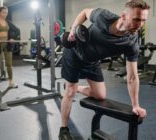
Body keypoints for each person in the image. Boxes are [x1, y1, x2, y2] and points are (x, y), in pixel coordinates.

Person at [59, 0, 150, 139]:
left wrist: (135, 105)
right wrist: (73, 29)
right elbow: (84, 12)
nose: (140, 24)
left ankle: (76, 88)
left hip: (92, 61)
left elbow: (132, 77)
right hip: (74, 55)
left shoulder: (131, 43)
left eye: (144, 20)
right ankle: (63, 129)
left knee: (100, 96)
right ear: (124, 16)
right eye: (136, 19)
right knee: (70, 92)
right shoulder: (103, 16)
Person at [0, 6, 20, 88]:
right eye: (3, 12)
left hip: (7, 44)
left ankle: (10, 82)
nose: (5, 14)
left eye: (6, 12)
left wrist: (12, 38)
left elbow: (17, 30)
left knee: (9, 64)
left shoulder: (8, 22)